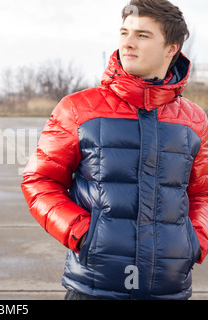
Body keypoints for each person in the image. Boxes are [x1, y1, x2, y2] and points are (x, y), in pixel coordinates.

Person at [21, 0, 208, 300]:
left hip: (169, 290)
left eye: (142, 35)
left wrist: (194, 241)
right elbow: (39, 181)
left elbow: (203, 193)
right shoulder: (78, 109)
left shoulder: (195, 120)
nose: (128, 43)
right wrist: (83, 234)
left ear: (172, 48)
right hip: (94, 287)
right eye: (124, 33)